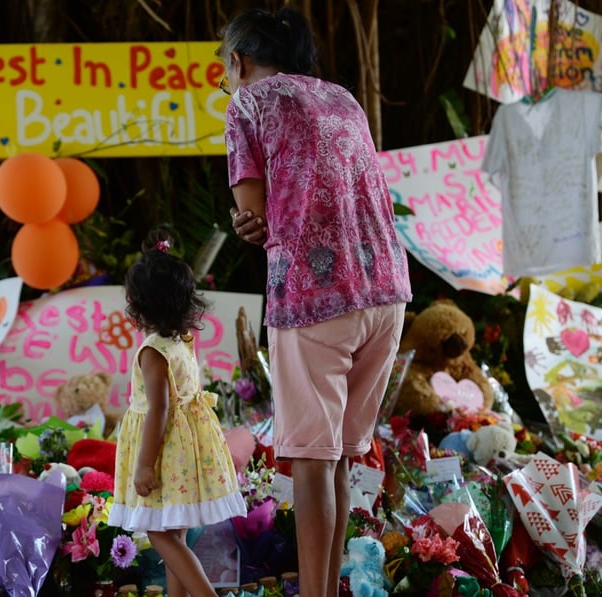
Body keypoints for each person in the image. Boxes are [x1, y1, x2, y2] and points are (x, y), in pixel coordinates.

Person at [219, 7, 413, 597]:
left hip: (312, 296)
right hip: (385, 291)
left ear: (239, 61)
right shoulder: (344, 100)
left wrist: (248, 221)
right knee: (341, 460)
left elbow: (251, 210)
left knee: (309, 460)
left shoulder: (247, 102)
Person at [107, 229, 247, 597]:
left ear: (138, 304)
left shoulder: (153, 351)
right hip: (184, 447)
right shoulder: (181, 340)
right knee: (176, 532)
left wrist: (145, 464)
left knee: (158, 533)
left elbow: (159, 409)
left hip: (165, 450)